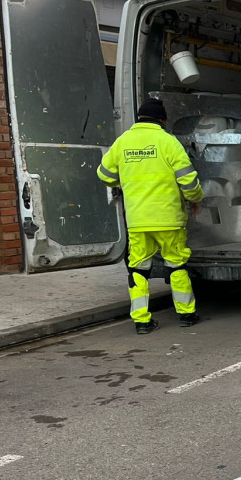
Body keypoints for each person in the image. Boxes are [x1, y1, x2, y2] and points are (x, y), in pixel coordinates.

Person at [97, 98, 203, 333]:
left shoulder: (123, 142)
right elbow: (188, 179)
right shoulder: (168, 142)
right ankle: (186, 315)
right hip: (168, 219)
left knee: (138, 269)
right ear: (162, 120)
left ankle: (142, 321)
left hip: (137, 220)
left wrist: (123, 179)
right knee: (176, 265)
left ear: (139, 118)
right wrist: (195, 197)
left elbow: (104, 174)